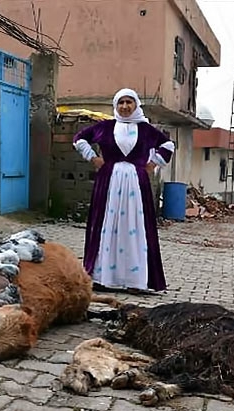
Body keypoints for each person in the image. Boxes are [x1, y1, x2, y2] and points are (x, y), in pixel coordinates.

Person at [72, 88, 175, 293]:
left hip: (137, 186)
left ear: (136, 105)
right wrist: (93, 158)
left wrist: (153, 164)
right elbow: (79, 138)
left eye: (129, 102)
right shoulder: (105, 127)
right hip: (108, 183)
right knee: (106, 226)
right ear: (115, 105)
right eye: (121, 102)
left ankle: (135, 280)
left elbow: (168, 144)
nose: (125, 106)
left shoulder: (146, 130)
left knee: (134, 228)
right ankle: (102, 277)